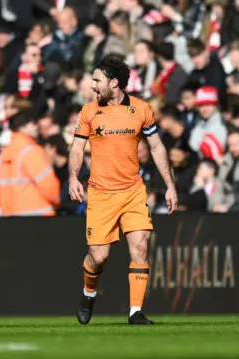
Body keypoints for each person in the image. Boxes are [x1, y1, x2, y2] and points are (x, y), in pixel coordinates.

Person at [68, 54, 178, 326]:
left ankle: (135, 312)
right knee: (98, 256)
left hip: (133, 191)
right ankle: (88, 292)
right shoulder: (88, 111)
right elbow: (77, 148)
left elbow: (156, 147)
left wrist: (170, 185)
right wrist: (73, 177)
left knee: (140, 246)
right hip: (101, 193)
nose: (93, 85)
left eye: (97, 80)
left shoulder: (141, 110)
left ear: (114, 83)